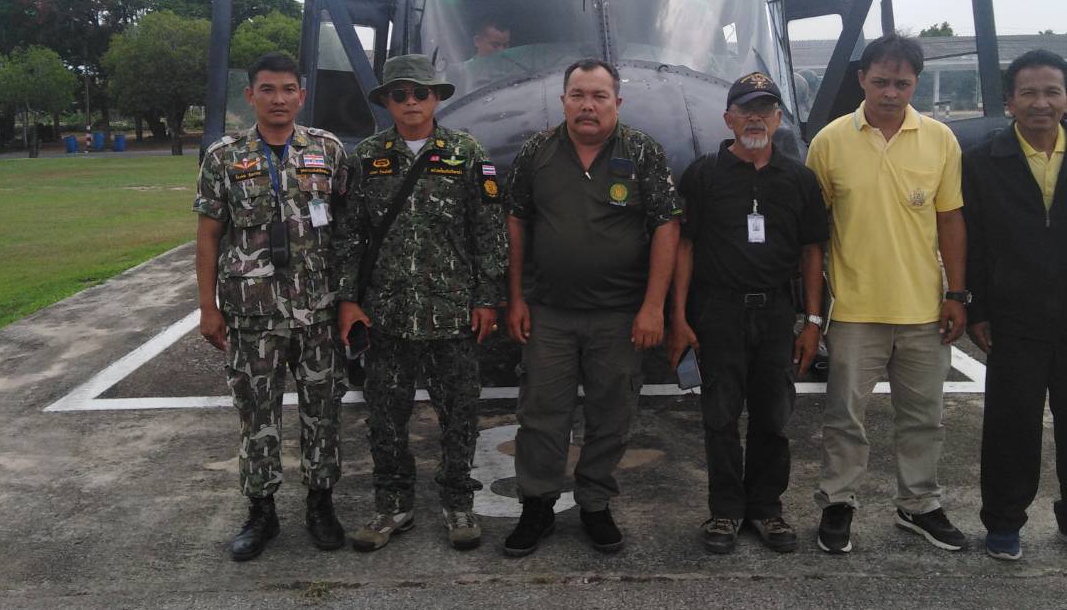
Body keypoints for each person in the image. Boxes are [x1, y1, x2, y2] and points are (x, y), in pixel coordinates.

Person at [503, 58, 682, 556]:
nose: (588, 105)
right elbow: (516, 221)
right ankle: (537, 504)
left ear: (617, 103)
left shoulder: (642, 151)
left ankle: (595, 502)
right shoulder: (536, 151)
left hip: (620, 314)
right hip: (549, 313)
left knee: (612, 412)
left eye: (599, 96)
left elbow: (667, 225)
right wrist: (515, 298)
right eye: (578, 95)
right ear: (563, 100)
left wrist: (654, 307)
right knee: (541, 414)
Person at [962, 49, 1067, 566]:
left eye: (1051, 92)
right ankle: (1004, 522)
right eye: (1029, 93)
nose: (1041, 103)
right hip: (1014, 321)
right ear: (1010, 102)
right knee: (1010, 426)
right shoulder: (984, 160)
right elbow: (976, 244)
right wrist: (978, 309)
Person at [334, 55, 508, 552]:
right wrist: (347, 300)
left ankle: (458, 502)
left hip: (452, 313)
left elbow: (489, 232)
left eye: (420, 93)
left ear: (436, 98)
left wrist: (488, 298)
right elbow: (348, 235)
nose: (410, 101)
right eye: (400, 94)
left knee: (460, 415)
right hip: (386, 315)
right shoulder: (366, 157)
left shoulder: (467, 153)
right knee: (386, 417)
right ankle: (393, 504)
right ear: (387, 102)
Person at [805, 33, 970, 555]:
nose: (891, 93)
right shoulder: (829, 141)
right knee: (844, 417)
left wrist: (957, 294)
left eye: (902, 83)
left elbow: (950, 219)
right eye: (880, 81)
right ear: (862, 79)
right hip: (854, 309)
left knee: (923, 417)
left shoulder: (940, 139)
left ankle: (918, 504)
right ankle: (838, 502)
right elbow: (812, 232)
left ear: (916, 82)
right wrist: (813, 312)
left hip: (923, 308)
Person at [193, 52, 350, 561]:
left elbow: (347, 230)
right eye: (267, 89)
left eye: (287, 89)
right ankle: (261, 512)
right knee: (256, 414)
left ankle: (320, 505)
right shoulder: (224, 156)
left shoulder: (327, 149)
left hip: (318, 311)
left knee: (323, 411)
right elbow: (208, 235)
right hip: (252, 314)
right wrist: (208, 307)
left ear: (302, 95)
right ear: (250, 96)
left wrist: (349, 299)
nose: (278, 99)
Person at [668, 72, 830, 555]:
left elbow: (812, 251)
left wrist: (813, 322)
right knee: (719, 416)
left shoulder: (799, 179)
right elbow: (685, 247)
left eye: (765, 109)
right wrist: (679, 317)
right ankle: (725, 509)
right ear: (728, 118)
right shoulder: (703, 175)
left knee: (773, 416)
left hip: (776, 312)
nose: (755, 118)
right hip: (718, 310)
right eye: (745, 109)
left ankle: (765, 507)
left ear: (779, 118)